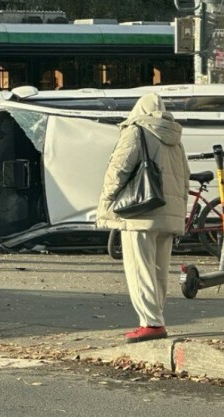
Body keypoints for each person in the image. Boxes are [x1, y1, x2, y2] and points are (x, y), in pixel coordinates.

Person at [96, 93, 190, 343]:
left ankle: (150, 323)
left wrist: (107, 201)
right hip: (168, 214)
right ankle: (156, 318)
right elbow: (184, 178)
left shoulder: (136, 131)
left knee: (140, 269)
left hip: (140, 213)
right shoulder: (175, 138)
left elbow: (118, 169)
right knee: (159, 271)